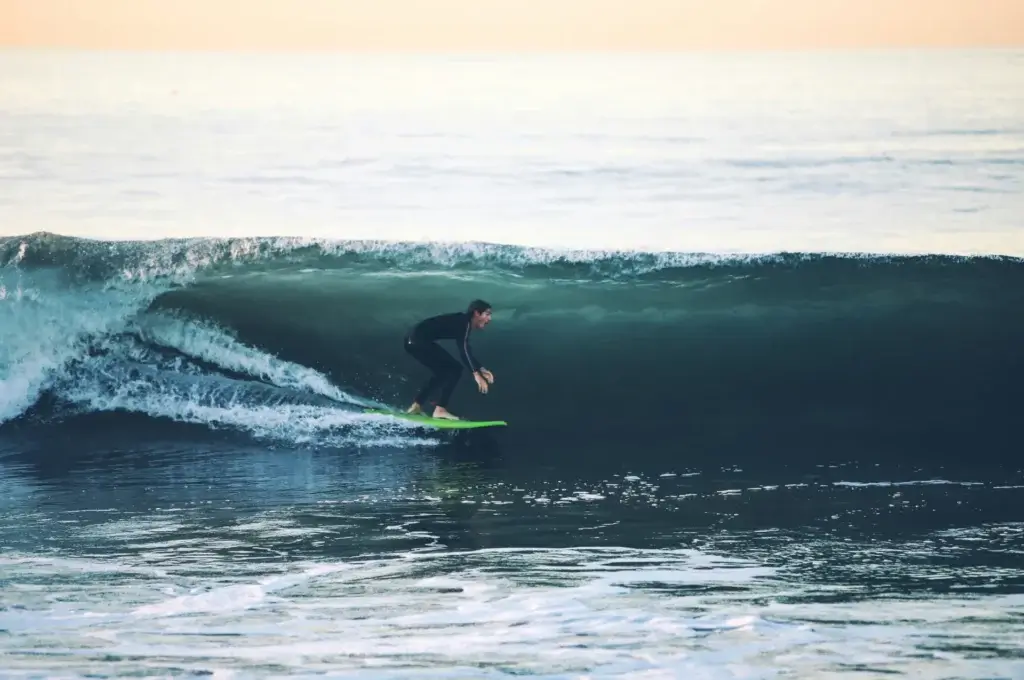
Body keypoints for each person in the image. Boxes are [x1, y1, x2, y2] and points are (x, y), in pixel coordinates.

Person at [404, 299, 495, 420]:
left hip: (413, 340)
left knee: (443, 373)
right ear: (477, 313)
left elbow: (466, 350)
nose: (490, 319)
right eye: (487, 314)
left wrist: (480, 369)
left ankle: (417, 406)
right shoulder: (465, 324)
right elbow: (464, 351)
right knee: (454, 369)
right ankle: (440, 409)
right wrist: (476, 374)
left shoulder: (462, 322)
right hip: (418, 341)